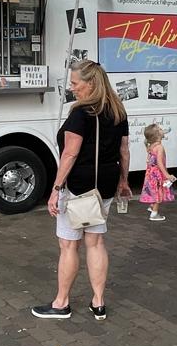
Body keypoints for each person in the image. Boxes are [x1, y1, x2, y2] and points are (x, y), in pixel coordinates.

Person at [36, 59, 132, 320]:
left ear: (90, 84)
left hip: (78, 187)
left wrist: (56, 189)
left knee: (68, 245)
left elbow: (69, 154)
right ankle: (98, 302)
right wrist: (123, 181)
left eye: (75, 83)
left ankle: (61, 303)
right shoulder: (118, 111)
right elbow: (124, 151)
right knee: (96, 242)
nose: (72, 88)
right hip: (106, 187)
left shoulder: (81, 114)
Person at [138, 123, 176, 222]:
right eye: (160, 129)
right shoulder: (159, 147)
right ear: (157, 135)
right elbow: (159, 163)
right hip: (157, 174)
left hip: (151, 173)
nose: (162, 130)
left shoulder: (151, 146)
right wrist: (167, 175)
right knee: (158, 192)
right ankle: (154, 214)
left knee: (153, 190)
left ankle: (151, 206)